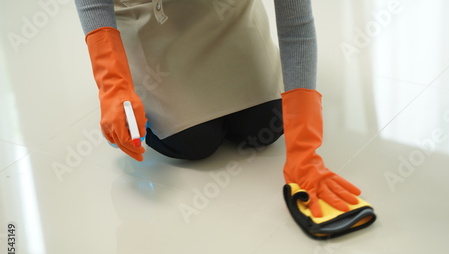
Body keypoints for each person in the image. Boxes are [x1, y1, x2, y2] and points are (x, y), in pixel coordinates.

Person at [75, 0, 362, 217]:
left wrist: (304, 151)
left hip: (227, 10)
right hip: (148, 13)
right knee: (192, 143)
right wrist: (113, 84)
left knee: (267, 125)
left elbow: (295, 24)